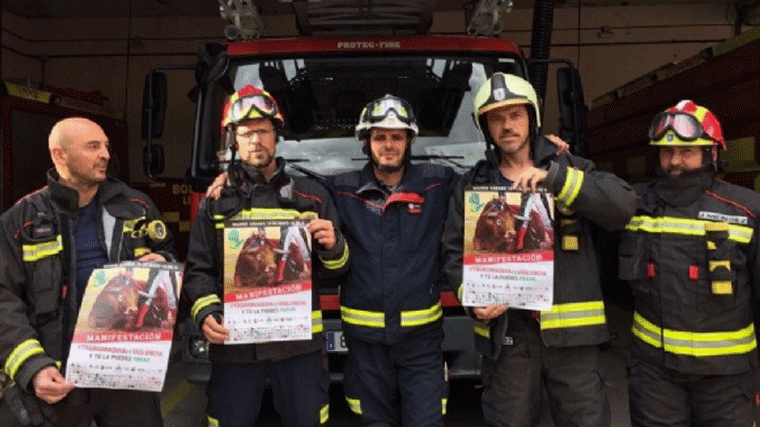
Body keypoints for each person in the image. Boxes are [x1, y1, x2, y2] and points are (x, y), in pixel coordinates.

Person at [442, 73, 636, 427]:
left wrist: (556, 179)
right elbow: (454, 257)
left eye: (516, 115)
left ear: (531, 118)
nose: (507, 126)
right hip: (508, 339)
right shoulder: (471, 188)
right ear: (485, 126)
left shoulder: (569, 168)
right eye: (496, 118)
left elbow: (622, 207)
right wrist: (472, 301)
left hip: (573, 341)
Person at [183, 85, 349, 427]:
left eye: (263, 131)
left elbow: (338, 272)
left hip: (299, 349)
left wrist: (334, 247)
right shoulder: (216, 200)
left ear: (277, 136)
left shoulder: (312, 197)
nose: (255, 140)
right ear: (234, 141)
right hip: (236, 348)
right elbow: (199, 268)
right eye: (246, 133)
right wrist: (206, 313)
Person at [0, 117, 177, 427]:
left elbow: (168, 257)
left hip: (126, 371)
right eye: (93, 147)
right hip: (59, 375)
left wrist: (163, 264)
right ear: (60, 155)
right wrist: (32, 366)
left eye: (105, 146)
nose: (105, 154)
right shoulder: (22, 220)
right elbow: (4, 298)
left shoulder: (137, 206)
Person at [619, 100, 760, 426]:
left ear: (712, 153)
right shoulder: (635, 203)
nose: (674, 161)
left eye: (687, 151)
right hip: (655, 375)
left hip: (726, 378)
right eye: (666, 152)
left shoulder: (748, 210)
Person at [323, 94, 459, 427]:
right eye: (379, 136)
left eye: (397, 136)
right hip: (364, 346)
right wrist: (233, 180)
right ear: (366, 142)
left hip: (422, 344)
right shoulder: (339, 191)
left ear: (409, 140)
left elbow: (493, 183)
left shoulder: (438, 184)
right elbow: (289, 194)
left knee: (426, 422)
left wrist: (542, 158)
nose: (388, 144)